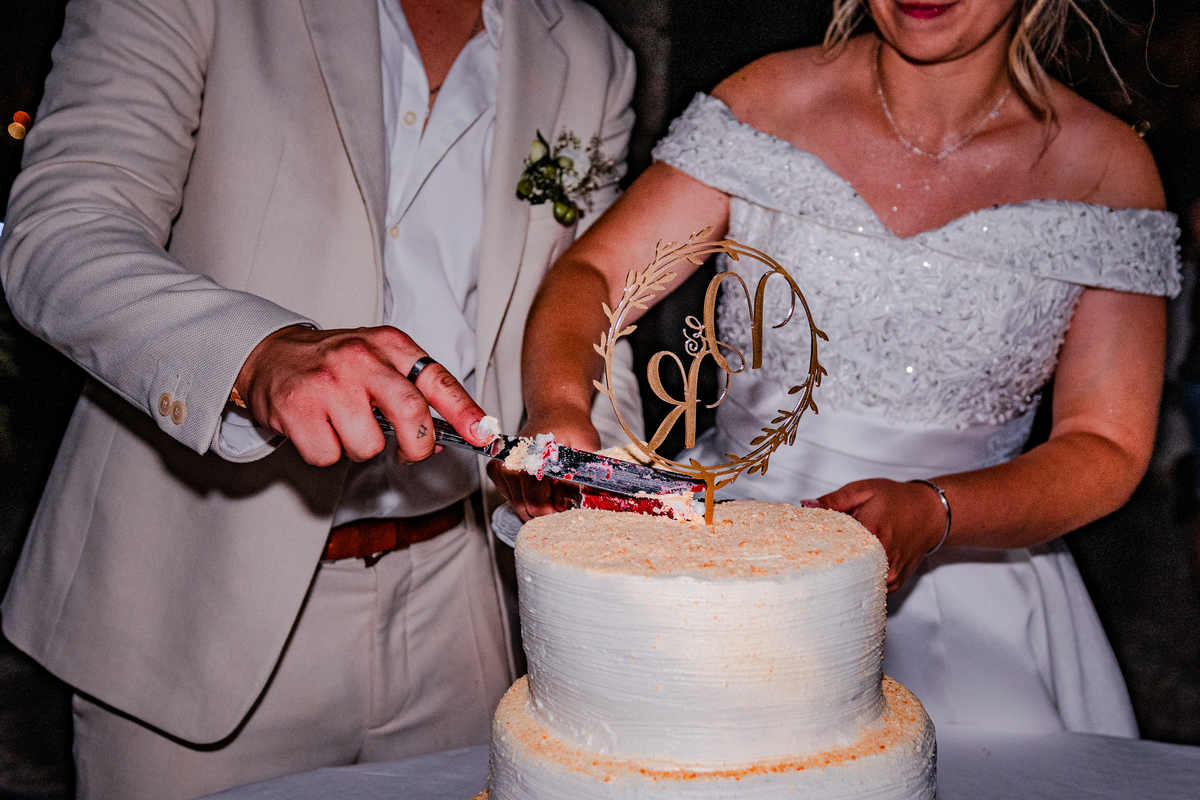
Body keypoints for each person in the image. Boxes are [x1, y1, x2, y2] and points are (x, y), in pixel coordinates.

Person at [494, 0, 1180, 738]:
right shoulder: (765, 102)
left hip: (975, 595)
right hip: (728, 554)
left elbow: (1106, 444)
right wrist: (559, 406)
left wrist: (938, 510)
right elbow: (597, 274)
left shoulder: (1104, 169)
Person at [0, 0, 633, 797]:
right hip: (193, 585)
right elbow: (62, 230)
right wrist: (257, 353)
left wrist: (591, 458)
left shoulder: (591, 53)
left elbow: (591, 314)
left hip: (464, 601)